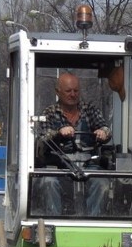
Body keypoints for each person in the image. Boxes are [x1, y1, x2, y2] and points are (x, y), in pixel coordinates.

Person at [35, 72, 113, 216]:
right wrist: (58, 133)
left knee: (102, 184)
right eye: (68, 91)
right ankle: (53, 220)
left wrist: (103, 132)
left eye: (76, 91)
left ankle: (93, 221)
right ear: (58, 92)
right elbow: (43, 138)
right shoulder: (50, 113)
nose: (73, 94)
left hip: (89, 164)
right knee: (48, 182)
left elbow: (105, 128)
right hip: (59, 166)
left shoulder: (89, 110)